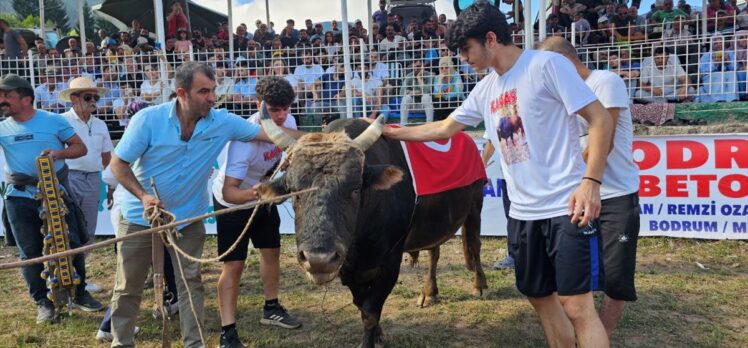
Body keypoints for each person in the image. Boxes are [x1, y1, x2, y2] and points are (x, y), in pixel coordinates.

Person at [375, 4, 614, 347]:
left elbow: (600, 119)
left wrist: (591, 182)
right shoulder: (486, 89)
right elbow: (444, 129)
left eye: (466, 49)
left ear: (490, 38)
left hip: (566, 207)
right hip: (522, 214)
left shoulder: (547, 65)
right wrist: (392, 133)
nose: (463, 58)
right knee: (541, 300)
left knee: (577, 307)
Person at [107, 62, 301, 347]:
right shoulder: (148, 120)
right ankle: (121, 342)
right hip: (139, 215)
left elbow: (273, 135)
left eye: (213, 90)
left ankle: (194, 344)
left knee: (190, 284)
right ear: (182, 93)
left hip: (188, 218)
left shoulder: (222, 121)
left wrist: (330, 140)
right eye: (204, 91)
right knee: (128, 286)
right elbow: (118, 164)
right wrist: (144, 196)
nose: (212, 97)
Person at [538, 37, 641, 338]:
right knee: (569, 273)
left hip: (614, 195)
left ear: (562, 63)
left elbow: (601, 144)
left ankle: (600, 336)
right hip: (575, 196)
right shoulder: (563, 97)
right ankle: (584, 332)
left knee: (616, 275)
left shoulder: (605, 82)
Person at [0, 74, 104, 324]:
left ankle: (79, 294)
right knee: (30, 252)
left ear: (26, 99)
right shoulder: (2, 126)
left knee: (73, 243)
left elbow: (80, 148)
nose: (1, 100)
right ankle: (42, 303)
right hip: (19, 196)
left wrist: (58, 153)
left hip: (56, 192)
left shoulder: (53, 121)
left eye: (6, 96)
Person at [214, 76, 302, 348]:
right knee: (234, 266)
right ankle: (227, 332)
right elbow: (230, 191)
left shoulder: (289, 123)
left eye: (286, 108)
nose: (282, 115)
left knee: (271, 251)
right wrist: (263, 193)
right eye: (275, 110)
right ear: (259, 105)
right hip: (234, 204)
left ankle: (272, 308)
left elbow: (286, 155)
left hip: (263, 196)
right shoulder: (244, 138)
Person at [59, 77, 115, 293]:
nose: (93, 101)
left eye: (95, 97)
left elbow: (107, 157)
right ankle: (69, 277)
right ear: (74, 99)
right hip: (69, 177)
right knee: (70, 228)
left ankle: (79, 278)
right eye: (88, 97)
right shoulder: (61, 122)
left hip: (94, 178)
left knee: (88, 230)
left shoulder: (100, 124)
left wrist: (110, 186)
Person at [400, 59, 435, 124]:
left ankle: (429, 124)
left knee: (426, 97)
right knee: (406, 98)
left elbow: (428, 90)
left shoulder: (429, 75)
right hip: (413, 105)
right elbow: (401, 92)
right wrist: (415, 92)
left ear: (423, 66)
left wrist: (419, 77)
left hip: (425, 106)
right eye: (414, 66)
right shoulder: (409, 76)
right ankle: (403, 124)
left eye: (418, 66)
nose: (415, 68)